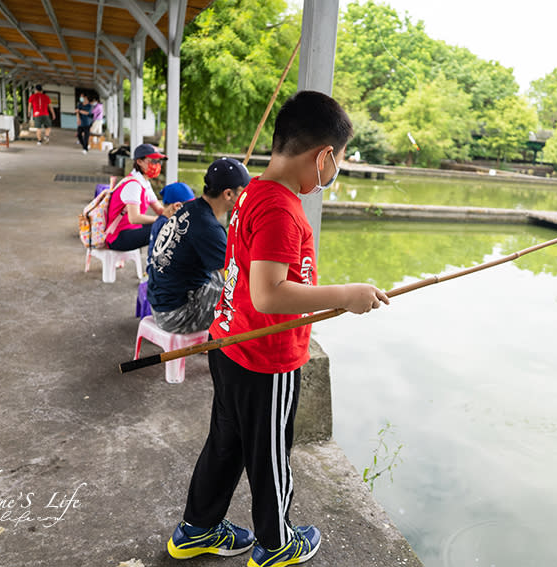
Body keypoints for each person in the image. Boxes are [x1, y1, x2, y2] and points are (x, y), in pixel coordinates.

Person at [166, 91, 390, 567]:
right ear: (323, 156)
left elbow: (254, 284)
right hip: (263, 358)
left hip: (229, 342)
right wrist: (346, 295)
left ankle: (197, 529)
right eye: (337, 164)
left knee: (226, 443)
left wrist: (326, 300)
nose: (333, 175)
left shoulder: (250, 193)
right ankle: (276, 543)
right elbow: (269, 294)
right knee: (270, 455)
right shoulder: (282, 210)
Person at [147, 158, 250, 334]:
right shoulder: (208, 227)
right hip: (175, 314)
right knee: (246, 303)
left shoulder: (190, 208)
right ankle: (220, 348)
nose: (247, 197)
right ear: (228, 194)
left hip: (160, 301)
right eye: (244, 192)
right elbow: (235, 279)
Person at [106, 143, 179, 251]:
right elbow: (134, 218)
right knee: (163, 228)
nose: (157, 165)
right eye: (153, 161)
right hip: (118, 237)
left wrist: (175, 211)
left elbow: (159, 210)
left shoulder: (144, 182)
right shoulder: (133, 185)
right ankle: (156, 265)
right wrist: (159, 220)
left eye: (159, 161)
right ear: (139, 161)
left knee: (170, 226)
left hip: (132, 229)